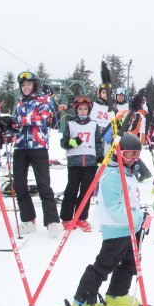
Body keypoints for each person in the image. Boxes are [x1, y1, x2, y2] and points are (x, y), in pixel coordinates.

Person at [71, 134, 151, 306]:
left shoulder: (128, 172)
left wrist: (140, 218)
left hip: (129, 227)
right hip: (116, 228)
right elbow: (114, 208)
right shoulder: (112, 176)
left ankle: (117, 294)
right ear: (118, 153)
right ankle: (83, 301)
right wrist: (139, 218)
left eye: (136, 155)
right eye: (128, 154)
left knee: (131, 261)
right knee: (105, 264)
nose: (133, 159)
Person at [11, 71, 61, 237]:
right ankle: (28, 220)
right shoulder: (20, 103)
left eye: (29, 84)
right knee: (19, 185)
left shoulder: (44, 99)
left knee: (43, 185)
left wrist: (19, 121)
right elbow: (15, 124)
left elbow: (42, 118)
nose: (26, 87)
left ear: (34, 85)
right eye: (23, 85)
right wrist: (8, 126)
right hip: (20, 146)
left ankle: (52, 221)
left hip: (38, 145)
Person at [59, 96, 102, 232]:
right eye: (80, 109)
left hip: (90, 163)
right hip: (75, 162)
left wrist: (100, 159)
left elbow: (98, 143)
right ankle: (66, 218)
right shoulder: (71, 124)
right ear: (76, 110)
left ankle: (81, 218)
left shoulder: (94, 125)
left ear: (88, 110)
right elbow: (63, 142)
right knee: (71, 190)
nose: (83, 111)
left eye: (85, 109)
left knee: (86, 192)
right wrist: (71, 142)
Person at [90, 83, 114, 156]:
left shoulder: (113, 108)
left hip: (107, 135)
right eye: (104, 92)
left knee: (105, 155)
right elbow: (81, 110)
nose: (106, 95)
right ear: (99, 93)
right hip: (94, 134)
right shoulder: (92, 105)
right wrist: (67, 108)